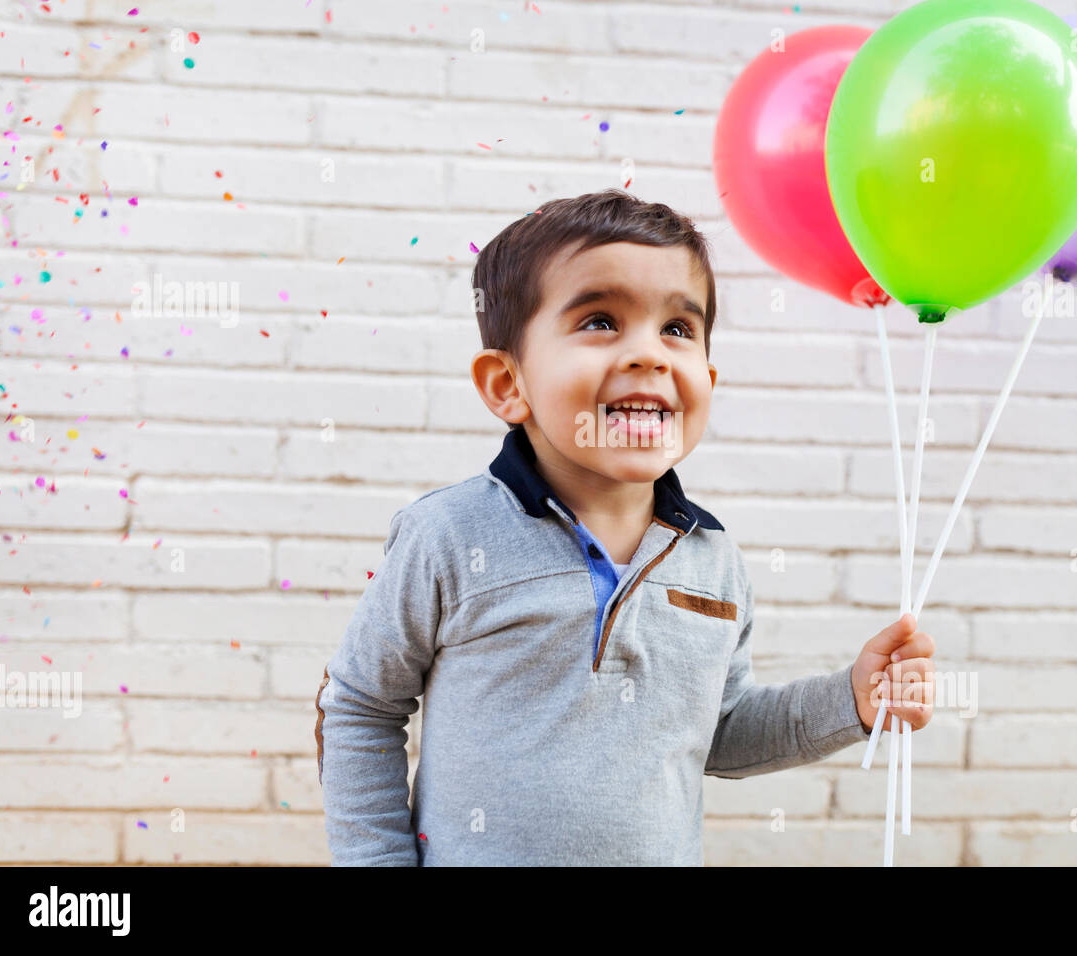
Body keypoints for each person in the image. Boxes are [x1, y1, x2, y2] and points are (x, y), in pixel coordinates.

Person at [315, 188, 935, 865]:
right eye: (601, 320)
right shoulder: (448, 536)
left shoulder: (714, 561)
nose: (650, 355)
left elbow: (718, 731)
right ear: (506, 384)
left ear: (707, 375)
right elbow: (361, 708)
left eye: (677, 329)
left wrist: (851, 698)